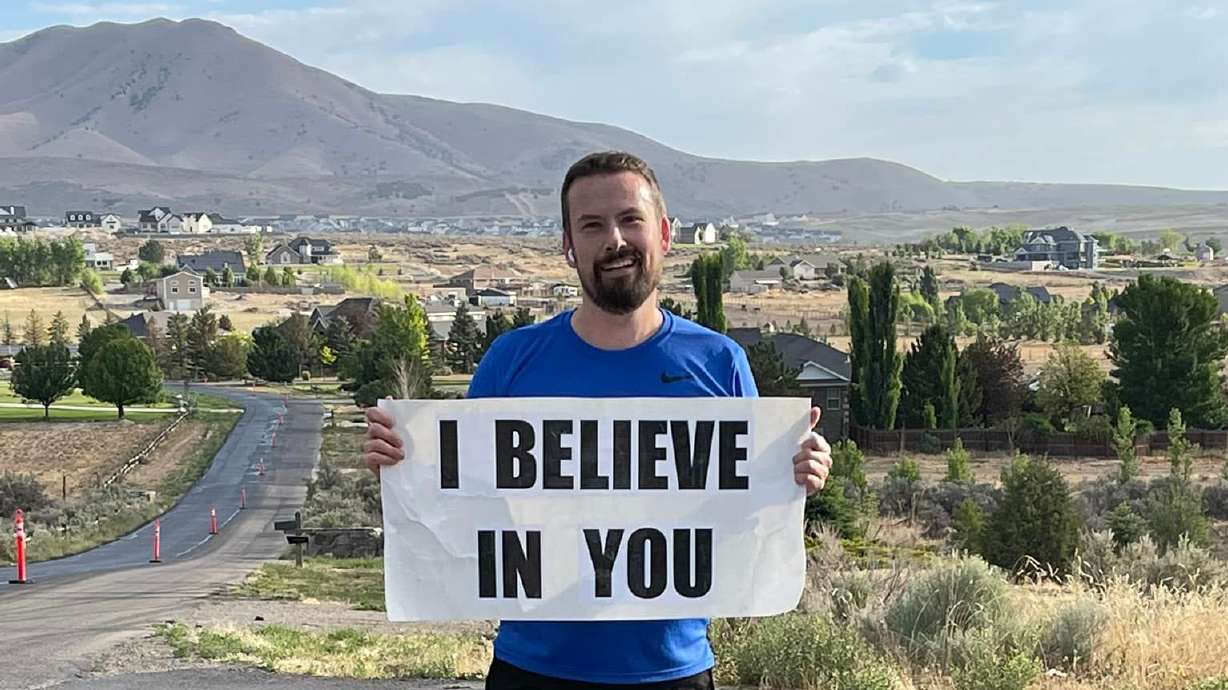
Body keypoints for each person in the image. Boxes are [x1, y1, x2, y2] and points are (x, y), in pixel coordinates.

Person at [362, 151, 832, 689]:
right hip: (532, 669)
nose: (614, 240)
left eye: (630, 219)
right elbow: (464, 500)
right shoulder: (511, 362)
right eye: (592, 225)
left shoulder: (719, 363)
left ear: (664, 233)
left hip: (673, 671)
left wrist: (797, 473)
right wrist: (407, 468)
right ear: (568, 247)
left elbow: (742, 512)